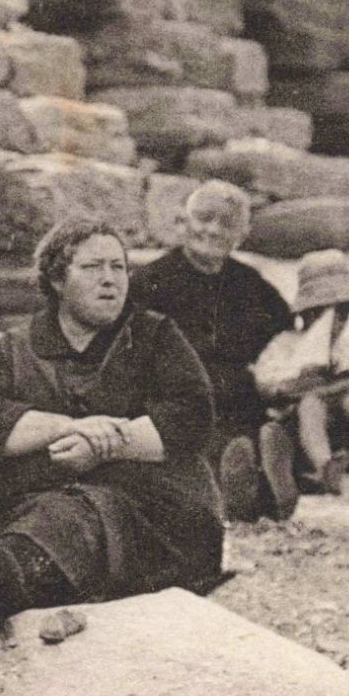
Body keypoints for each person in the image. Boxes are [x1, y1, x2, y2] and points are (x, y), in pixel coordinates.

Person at [0, 221, 223, 633]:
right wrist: (71, 427)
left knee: (74, 521)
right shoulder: (17, 348)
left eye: (119, 267)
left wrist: (106, 446)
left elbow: (192, 416)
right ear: (56, 279)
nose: (110, 279)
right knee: (38, 521)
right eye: (92, 267)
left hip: (145, 507)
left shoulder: (155, 335)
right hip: (35, 493)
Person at [130, 180, 294, 521]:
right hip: (179, 399)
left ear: (243, 234)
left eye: (228, 223)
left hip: (241, 398)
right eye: (204, 218)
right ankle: (243, 483)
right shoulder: (150, 281)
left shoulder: (250, 283)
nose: (214, 230)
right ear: (183, 222)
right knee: (207, 447)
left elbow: (285, 333)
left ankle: (268, 478)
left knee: (254, 434)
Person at [254, 249, 349, 505]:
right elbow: (264, 380)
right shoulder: (287, 344)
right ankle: (324, 467)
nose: (333, 325)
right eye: (320, 315)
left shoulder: (348, 346)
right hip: (299, 424)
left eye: (341, 315)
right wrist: (285, 386)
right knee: (310, 405)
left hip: (345, 426)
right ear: (305, 314)